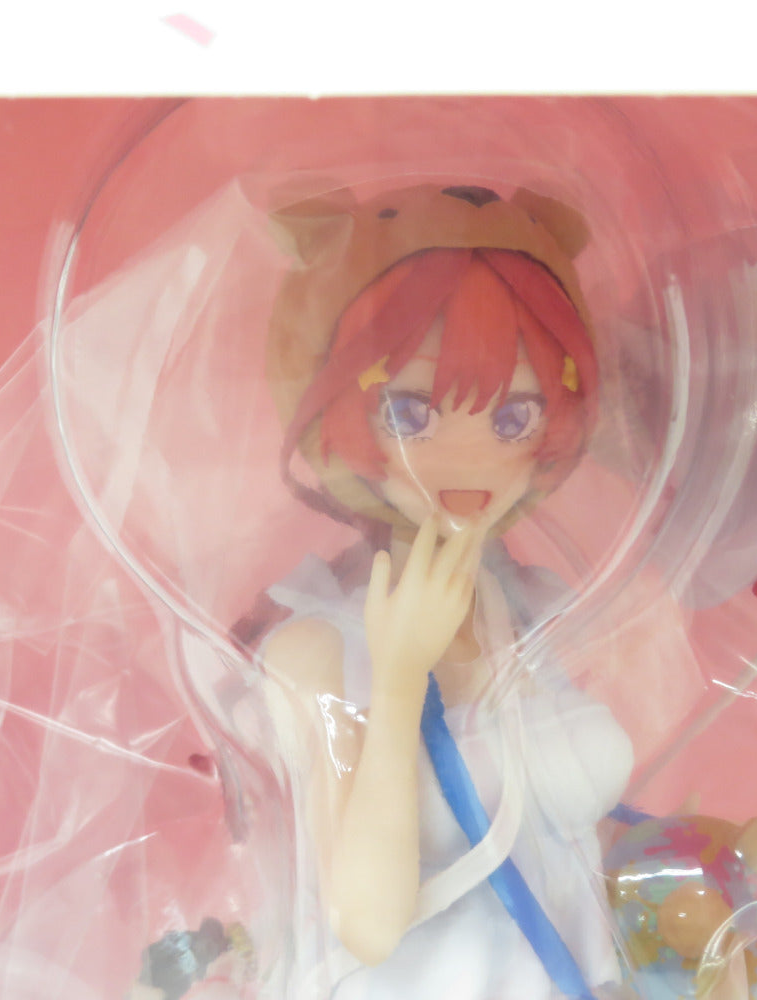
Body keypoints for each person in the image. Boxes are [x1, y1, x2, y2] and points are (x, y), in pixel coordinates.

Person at [249, 183, 635, 999]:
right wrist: (397, 678)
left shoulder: (540, 611)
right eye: (408, 414)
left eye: (513, 417)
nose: (465, 465)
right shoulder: (318, 648)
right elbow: (366, 924)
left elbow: (573, 836)